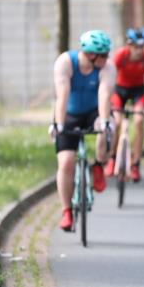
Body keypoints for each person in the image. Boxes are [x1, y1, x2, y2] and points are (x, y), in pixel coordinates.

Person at [50, 30, 116, 232]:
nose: (107, 58)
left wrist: (104, 121)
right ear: (90, 55)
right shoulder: (65, 62)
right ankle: (67, 211)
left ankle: (99, 164)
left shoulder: (107, 67)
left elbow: (104, 94)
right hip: (69, 113)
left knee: (105, 128)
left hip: (94, 111)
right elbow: (62, 95)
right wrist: (59, 125)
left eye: (107, 54)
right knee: (66, 162)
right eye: (103, 55)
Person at [107, 27, 144, 182]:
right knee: (117, 121)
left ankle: (135, 164)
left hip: (138, 92)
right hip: (119, 90)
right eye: (135, 47)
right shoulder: (121, 55)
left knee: (139, 121)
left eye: (142, 47)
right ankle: (113, 158)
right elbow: (109, 79)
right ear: (129, 45)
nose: (139, 51)